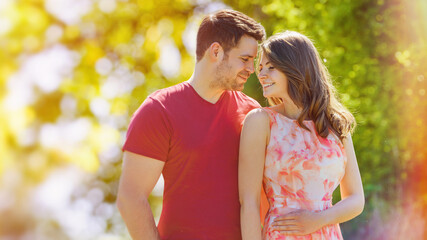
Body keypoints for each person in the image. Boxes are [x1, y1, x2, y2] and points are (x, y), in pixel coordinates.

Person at [116, 9, 265, 240]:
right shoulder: (159, 110)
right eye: (245, 59)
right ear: (216, 51)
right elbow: (131, 197)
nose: (251, 69)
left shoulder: (253, 112)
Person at [239, 31, 365, 240]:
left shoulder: (335, 124)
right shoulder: (261, 121)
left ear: (296, 67)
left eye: (271, 67)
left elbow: (356, 199)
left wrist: (319, 220)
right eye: (261, 68)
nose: (261, 74)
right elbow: (249, 203)